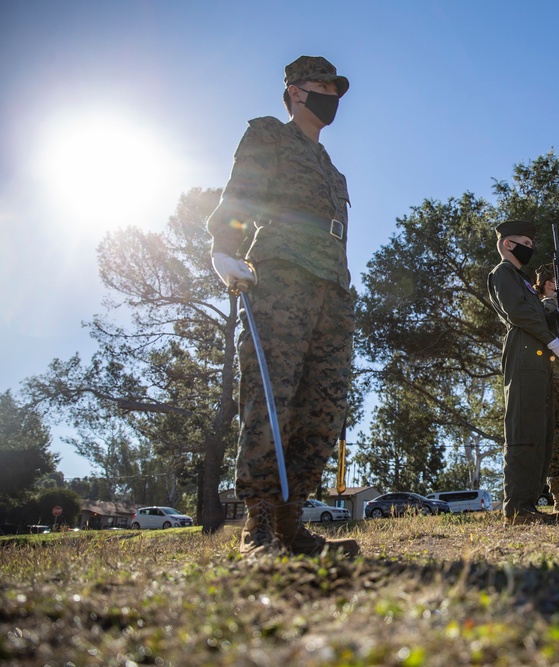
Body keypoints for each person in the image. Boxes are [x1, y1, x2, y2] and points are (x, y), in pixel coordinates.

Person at [207, 55, 359, 558]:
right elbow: (244, 192)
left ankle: (292, 524)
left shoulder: (331, 168)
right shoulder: (270, 135)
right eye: (323, 87)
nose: (332, 98)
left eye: (336, 90)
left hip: (333, 290)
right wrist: (224, 246)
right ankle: (260, 525)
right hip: (282, 278)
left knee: (323, 406)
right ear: (296, 91)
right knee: (273, 397)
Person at [487, 221, 559, 525]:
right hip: (524, 352)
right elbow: (519, 313)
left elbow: (539, 315)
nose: (530, 248)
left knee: (542, 433)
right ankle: (517, 508)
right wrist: (553, 341)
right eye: (525, 243)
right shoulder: (503, 273)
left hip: (538, 356)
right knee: (524, 430)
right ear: (507, 244)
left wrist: (557, 306)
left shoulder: (524, 281)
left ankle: (528, 506)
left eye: (531, 244)